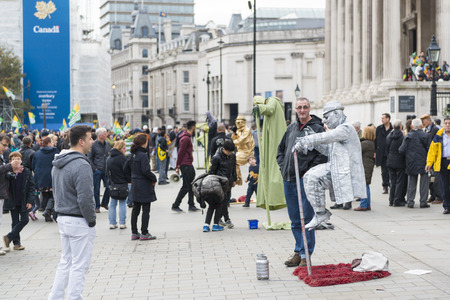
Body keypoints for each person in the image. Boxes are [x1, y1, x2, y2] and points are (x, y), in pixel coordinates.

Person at [294, 101, 366, 230]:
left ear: (337, 113)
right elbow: (328, 150)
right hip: (337, 168)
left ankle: (321, 213)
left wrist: (307, 141)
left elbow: (326, 137)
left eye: (327, 117)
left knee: (312, 176)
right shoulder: (339, 131)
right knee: (310, 177)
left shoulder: (345, 129)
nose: (324, 121)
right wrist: (313, 142)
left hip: (344, 172)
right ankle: (320, 213)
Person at [277, 97, 327, 268]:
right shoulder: (291, 127)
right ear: (296, 109)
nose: (302, 110)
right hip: (289, 178)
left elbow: (323, 154)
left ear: (309, 108)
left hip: (305, 180)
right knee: (294, 219)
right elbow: (281, 150)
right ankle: (298, 251)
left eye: (305, 107)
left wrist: (308, 171)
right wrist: (283, 166)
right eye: (299, 107)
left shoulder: (317, 128)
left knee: (307, 217)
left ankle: (306, 253)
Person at [48, 125, 96, 299]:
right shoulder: (81, 164)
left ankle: (56, 296)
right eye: (90, 138)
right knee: (79, 265)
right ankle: (74, 297)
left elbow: (57, 192)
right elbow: (85, 197)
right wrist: (91, 220)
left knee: (66, 261)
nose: (92, 141)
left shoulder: (58, 162)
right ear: (81, 141)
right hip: (78, 219)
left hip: (63, 217)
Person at [253, 96, 287, 211]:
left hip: (274, 138)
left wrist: (259, 108)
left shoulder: (272, 101)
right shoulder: (273, 104)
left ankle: (276, 196)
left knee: (273, 166)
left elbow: (270, 109)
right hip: (273, 137)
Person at [124, 134, 158, 240]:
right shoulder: (143, 155)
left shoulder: (132, 155)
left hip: (135, 184)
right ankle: (144, 232)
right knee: (145, 209)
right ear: (144, 143)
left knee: (136, 209)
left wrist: (131, 178)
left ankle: (134, 232)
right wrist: (154, 178)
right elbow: (146, 171)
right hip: (144, 184)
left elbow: (125, 169)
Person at [2, 152, 36, 252]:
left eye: (18, 159)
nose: (16, 161)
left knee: (25, 220)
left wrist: (30, 200)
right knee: (15, 221)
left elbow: (31, 186)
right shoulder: (8, 172)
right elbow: (7, 178)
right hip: (12, 200)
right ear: (10, 161)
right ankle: (17, 244)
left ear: (21, 160)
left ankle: (8, 237)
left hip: (24, 200)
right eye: (13, 159)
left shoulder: (26, 171)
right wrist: (13, 171)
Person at [0, 134, 24, 255]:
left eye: (7, 146)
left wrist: (12, 171)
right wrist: (10, 166)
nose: (5, 148)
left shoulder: (2, 156)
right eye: (3, 145)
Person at [399, 118, 430, 209]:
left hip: (411, 161)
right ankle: (423, 201)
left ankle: (410, 201)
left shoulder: (408, 136)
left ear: (412, 126)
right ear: (421, 125)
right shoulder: (425, 135)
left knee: (411, 183)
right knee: (424, 183)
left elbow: (402, 149)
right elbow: (429, 149)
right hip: (423, 161)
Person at [172, 121, 200, 212]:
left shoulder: (187, 137)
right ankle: (176, 205)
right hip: (185, 165)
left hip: (188, 164)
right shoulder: (186, 139)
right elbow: (180, 152)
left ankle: (191, 205)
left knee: (191, 185)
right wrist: (178, 166)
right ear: (193, 127)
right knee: (186, 186)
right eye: (195, 126)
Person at [208, 140, 237, 229]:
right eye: (228, 151)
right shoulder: (216, 157)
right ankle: (227, 219)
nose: (229, 153)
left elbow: (233, 168)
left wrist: (234, 179)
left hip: (228, 182)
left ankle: (219, 218)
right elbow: (211, 171)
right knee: (223, 201)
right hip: (219, 183)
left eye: (231, 152)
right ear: (223, 149)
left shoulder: (232, 156)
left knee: (226, 201)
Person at [426, 116, 450, 214]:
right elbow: (433, 151)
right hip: (443, 162)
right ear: (443, 124)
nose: (448, 125)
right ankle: (447, 206)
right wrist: (429, 163)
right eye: (446, 123)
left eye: (449, 123)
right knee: (444, 185)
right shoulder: (439, 135)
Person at [32, 136, 59, 222]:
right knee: (53, 195)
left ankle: (46, 212)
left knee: (45, 196)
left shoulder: (37, 153)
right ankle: (47, 210)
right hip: (52, 177)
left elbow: (33, 166)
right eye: (52, 142)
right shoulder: (55, 152)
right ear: (49, 143)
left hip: (41, 177)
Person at [87, 127, 111, 213]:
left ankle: (104, 203)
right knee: (96, 189)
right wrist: (94, 169)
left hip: (106, 170)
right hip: (97, 170)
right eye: (105, 134)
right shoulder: (93, 145)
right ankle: (96, 206)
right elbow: (89, 158)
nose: (106, 135)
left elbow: (109, 155)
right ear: (100, 135)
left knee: (109, 187)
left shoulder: (107, 144)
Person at [106, 140, 129, 229]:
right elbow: (126, 171)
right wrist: (128, 180)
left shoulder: (109, 158)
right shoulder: (122, 158)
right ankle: (122, 223)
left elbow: (106, 172)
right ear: (120, 148)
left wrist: (110, 181)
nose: (125, 150)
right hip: (122, 183)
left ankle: (112, 223)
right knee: (122, 203)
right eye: (124, 148)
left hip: (113, 183)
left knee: (112, 203)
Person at [421, 114, 443, 204]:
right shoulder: (427, 129)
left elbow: (432, 144)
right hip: (429, 157)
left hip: (435, 158)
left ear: (428, 120)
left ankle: (439, 197)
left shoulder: (435, 129)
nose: (422, 123)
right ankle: (433, 196)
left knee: (436, 178)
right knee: (431, 179)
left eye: (423, 121)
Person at [354, 126, 376, 211]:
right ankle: (367, 204)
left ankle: (363, 204)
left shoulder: (365, 144)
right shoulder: (370, 142)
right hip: (368, 165)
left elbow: (356, 150)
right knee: (366, 185)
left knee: (363, 185)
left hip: (364, 165)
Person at [386, 119, 406, 207]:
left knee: (392, 181)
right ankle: (397, 200)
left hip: (390, 160)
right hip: (399, 161)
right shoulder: (402, 137)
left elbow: (387, 146)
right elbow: (403, 149)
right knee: (399, 181)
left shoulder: (389, 136)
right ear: (400, 126)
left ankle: (391, 199)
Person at [231, 115, 255, 185]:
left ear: (243, 122)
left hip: (247, 152)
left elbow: (240, 141)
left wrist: (231, 143)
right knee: (232, 160)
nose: (237, 124)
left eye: (239, 122)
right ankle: (238, 178)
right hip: (240, 151)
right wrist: (234, 133)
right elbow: (234, 139)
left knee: (234, 160)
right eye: (236, 123)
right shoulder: (238, 130)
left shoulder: (246, 130)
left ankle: (238, 179)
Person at [375, 113, 393, 194]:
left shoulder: (393, 128)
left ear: (388, 119)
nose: (382, 120)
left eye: (383, 118)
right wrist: (375, 151)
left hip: (391, 152)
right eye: (381, 118)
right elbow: (375, 140)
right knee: (384, 171)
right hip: (381, 152)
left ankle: (391, 184)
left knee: (391, 170)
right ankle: (385, 186)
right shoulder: (379, 128)